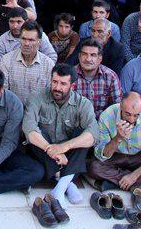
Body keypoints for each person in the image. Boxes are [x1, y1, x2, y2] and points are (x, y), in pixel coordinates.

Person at [24, 63, 99, 216]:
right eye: (54, 82)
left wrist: (64, 147)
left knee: (83, 135)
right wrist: (50, 149)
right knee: (37, 134)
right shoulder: (37, 97)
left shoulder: (83, 103)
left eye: (63, 84)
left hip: (68, 155)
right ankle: (67, 182)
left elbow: (93, 134)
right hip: (43, 151)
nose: (57, 87)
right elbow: (28, 128)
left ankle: (60, 186)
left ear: (72, 85)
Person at [88, 91, 141, 192]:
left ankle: (121, 182)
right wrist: (118, 138)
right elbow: (101, 154)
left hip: (138, 156)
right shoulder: (107, 116)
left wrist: (134, 175)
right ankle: (137, 185)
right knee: (94, 168)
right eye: (128, 114)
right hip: (115, 156)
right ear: (121, 106)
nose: (131, 120)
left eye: (136, 115)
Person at [0, 22, 54, 104]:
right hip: (12, 109)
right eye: (23, 39)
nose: (26, 43)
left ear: (39, 42)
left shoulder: (48, 65)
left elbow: (49, 96)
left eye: (31, 40)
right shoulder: (6, 60)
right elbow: (3, 92)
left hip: (39, 110)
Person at [71, 38, 122, 118]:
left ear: (100, 59)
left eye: (93, 55)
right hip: (75, 121)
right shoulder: (69, 75)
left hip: (103, 121)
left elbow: (117, 106)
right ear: (79, 56)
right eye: (84, 54)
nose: (88, 59)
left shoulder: (110, 77)